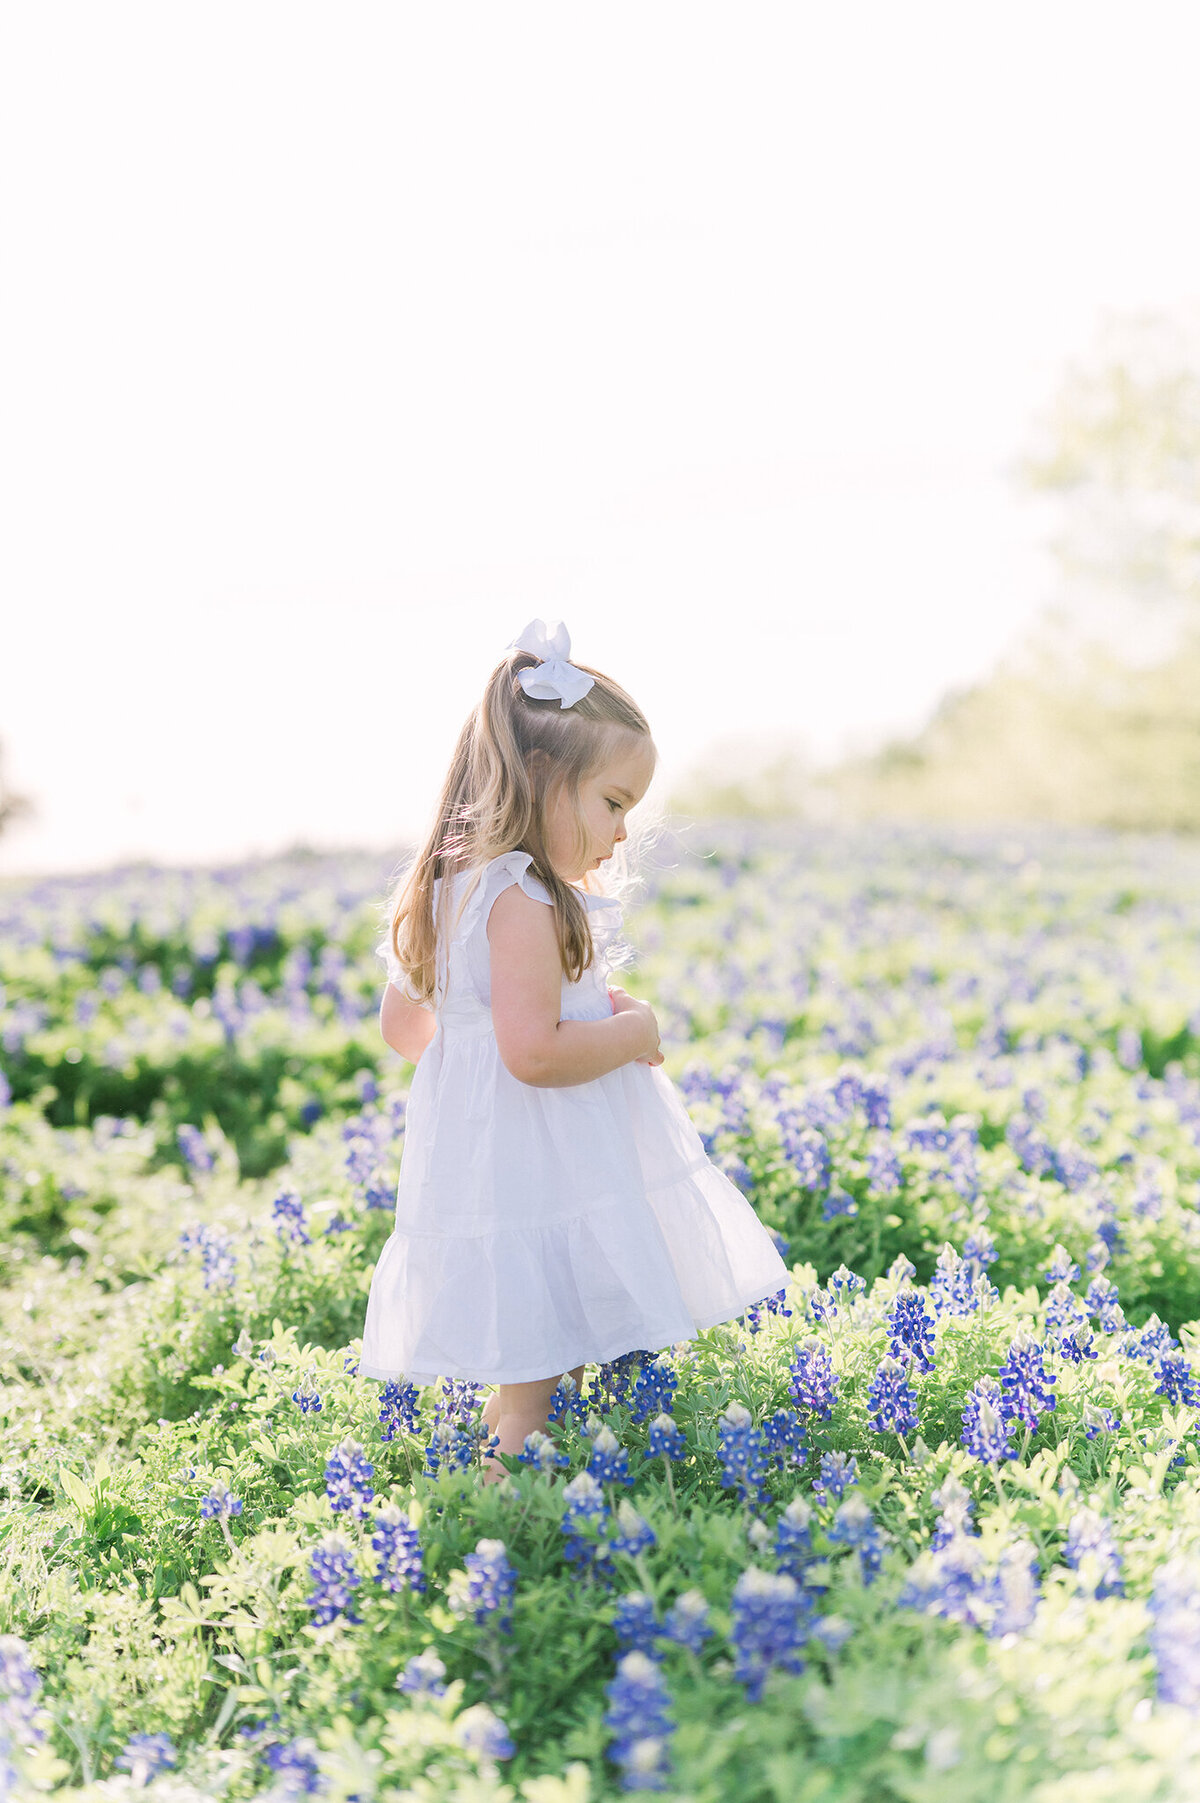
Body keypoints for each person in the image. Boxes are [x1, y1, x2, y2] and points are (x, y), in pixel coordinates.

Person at [358, 617, 790, 1486]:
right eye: (615, 803)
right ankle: (494, 1511)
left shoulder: (450, 886)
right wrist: (632, 1030)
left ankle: (513, 1484)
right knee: (532, 1387)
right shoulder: (525, 896)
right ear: (547, 778)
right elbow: (536, 1055)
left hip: (490, 1162)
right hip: (542, 1166)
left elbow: (409, 1032)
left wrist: (546, 1010)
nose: (624, 832)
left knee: (540, 1364)